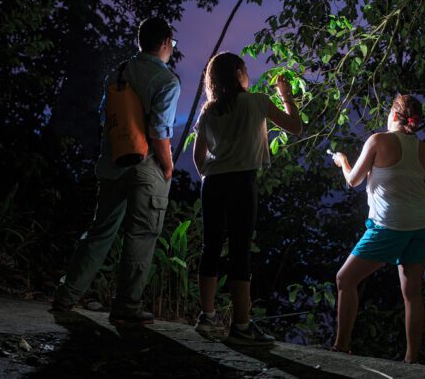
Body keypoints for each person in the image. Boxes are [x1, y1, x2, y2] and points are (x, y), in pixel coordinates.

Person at [52, 17, 181, 325]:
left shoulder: (118, 71)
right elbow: (159, 132)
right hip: (146, 166)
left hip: (112, 162)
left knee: (100, 231)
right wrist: (168, 166)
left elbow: (105, 116)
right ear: (165, 43)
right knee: (142, 234)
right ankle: (126, 305)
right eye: (171, 44)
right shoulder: (167, 81)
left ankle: (67, 294)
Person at [192, 52, 302, 345]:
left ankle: (207, 316)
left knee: (211, 246)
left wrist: (210, 175)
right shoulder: (258, 102)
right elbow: (296, 126)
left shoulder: (209, 111)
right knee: (240, 250)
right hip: (242, 182)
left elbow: (198, 156)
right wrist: (286, 95)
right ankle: (241, 326)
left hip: (213, 183)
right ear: (239, 73)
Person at [331, 94, 425, 362]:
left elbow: (353, 180)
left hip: (388, 226)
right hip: (421, 227)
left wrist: (343, 161)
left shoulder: (378, 140)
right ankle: (411, 359)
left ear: (394, 116)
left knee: (345, 280)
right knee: (412, 294)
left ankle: (342, 345)